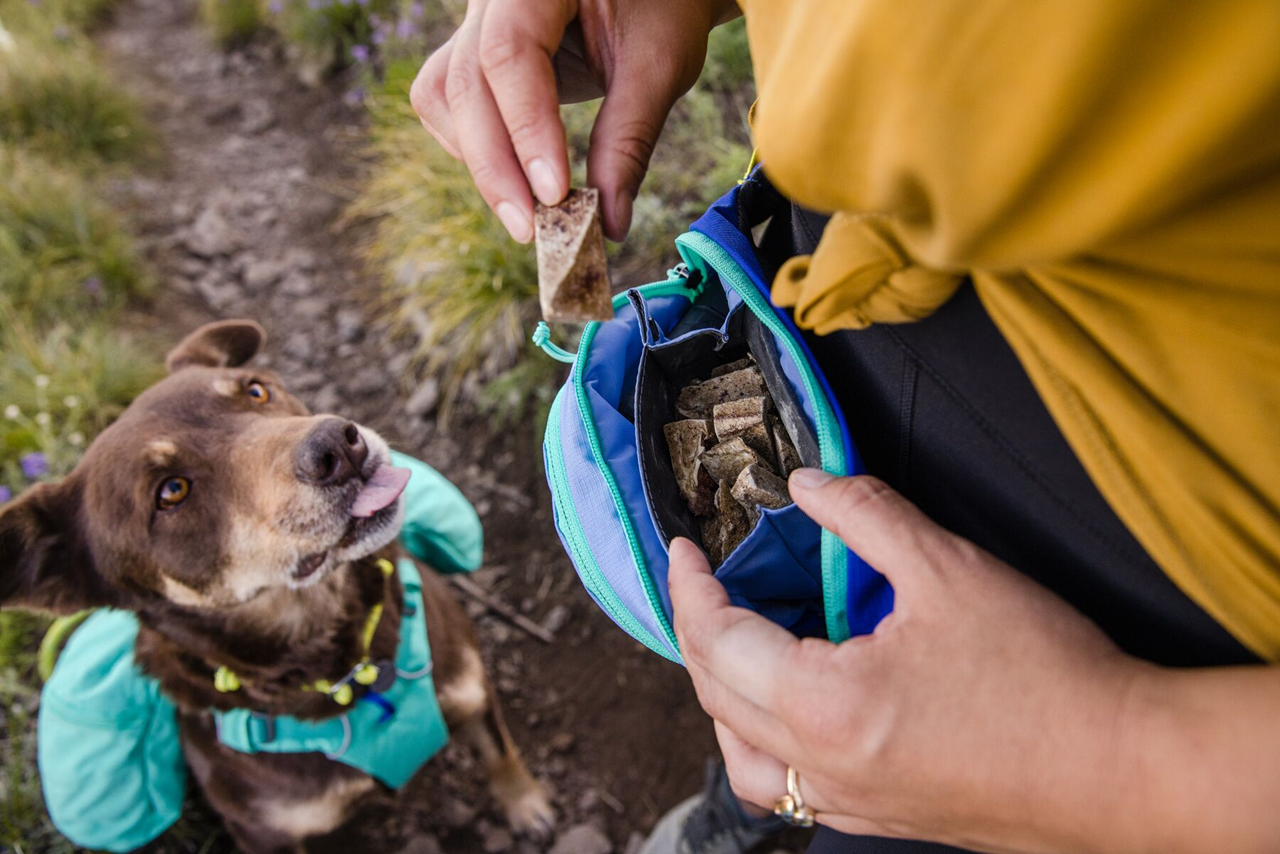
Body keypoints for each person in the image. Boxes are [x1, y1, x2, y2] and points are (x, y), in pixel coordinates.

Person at [409, 2, 1280, 852]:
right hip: (830, 345)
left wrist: (1108, 760)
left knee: (876, 810)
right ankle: (766, 802)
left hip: (1137, 637)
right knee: (788, 673)